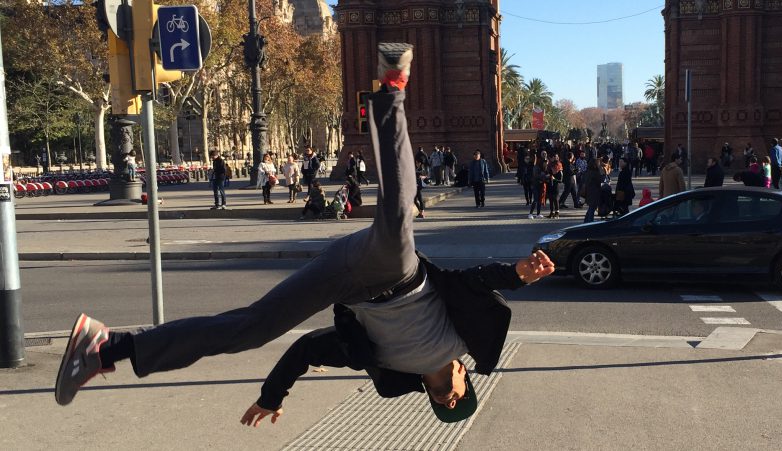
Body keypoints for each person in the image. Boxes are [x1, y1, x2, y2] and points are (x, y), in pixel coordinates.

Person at [54, 44, 556, 426]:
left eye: (444, 407)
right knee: (399, 209)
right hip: (395, 270)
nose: (448, 400)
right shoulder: (466, 340)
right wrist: (517, 273)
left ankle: (105, 347)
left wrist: (272, 396)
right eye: (458, 400)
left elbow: (306, 350)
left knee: (251, 328)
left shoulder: (388, 372)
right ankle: (392, 88)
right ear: (465, 377)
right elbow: (472, 283)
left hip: (344, 283)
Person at [581, 158, 602, 223]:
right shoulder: (596, 172)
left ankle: (586, 221)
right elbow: (599, 182)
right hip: (594, 192)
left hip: (588, 191)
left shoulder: (587, 171)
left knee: (591, 207)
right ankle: (589, 222)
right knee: (592, 208)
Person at [546, 153, 563, 218]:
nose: (554, 158)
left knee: (555, 199)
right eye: (552, 157)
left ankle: (557, 212)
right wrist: (547, 176)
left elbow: (560, 180)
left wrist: (554, 179)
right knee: (550, 199)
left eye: (555, 157)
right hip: (549, 184)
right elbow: (547, 172)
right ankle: (551, 212)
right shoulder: (549, 165)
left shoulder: (559, 165)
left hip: (556, 184)